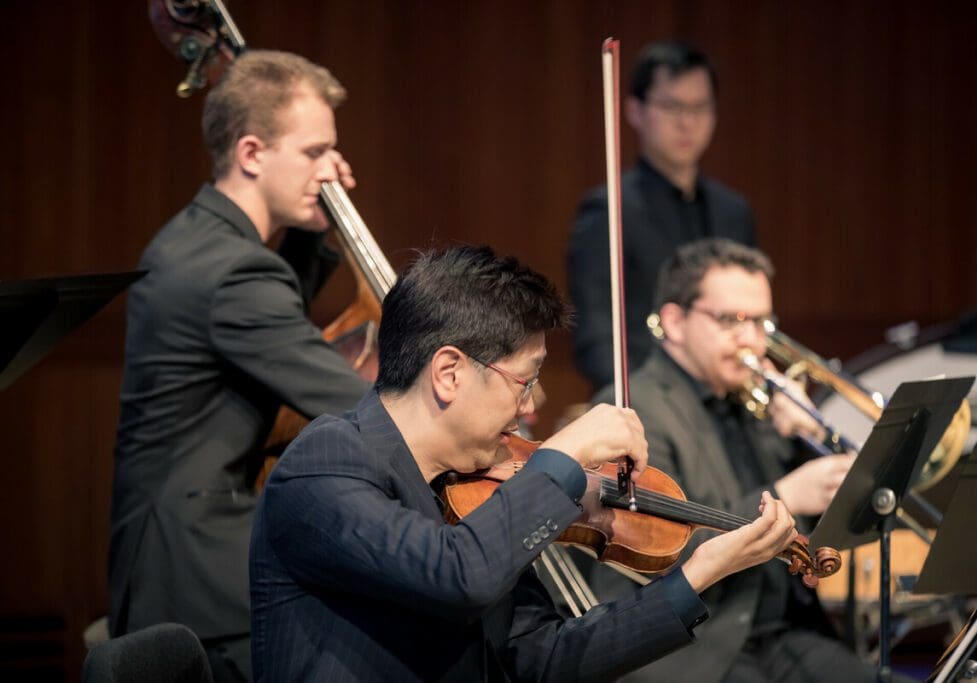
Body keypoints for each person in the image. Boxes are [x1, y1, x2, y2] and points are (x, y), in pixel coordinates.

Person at [249, 245, 802, 682]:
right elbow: (456, 575)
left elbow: (544, 660)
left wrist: (699, 574)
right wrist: (562, 456)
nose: (534, 405)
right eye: (526, 380)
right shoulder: (327, 462)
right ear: (449, 373)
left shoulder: (477, 489)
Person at [109, 50, 369, 681]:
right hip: (201, 580)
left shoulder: (198, 242)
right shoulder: (230, 273)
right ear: (252, 153)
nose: (331, 173)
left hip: (167, 559)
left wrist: (314, 225)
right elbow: (356, 403)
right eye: (313, 153)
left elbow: (268, 322)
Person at [588, 238, 876, 682]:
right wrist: (788, 494)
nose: (753, 340)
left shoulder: (751, 404)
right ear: (675, 322)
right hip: (695, 644)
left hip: (779, 635)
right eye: (731, 320)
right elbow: (662, 549)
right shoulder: (632, 409)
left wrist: (809, 436)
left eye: (762, 322)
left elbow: (843, 513)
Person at [568, 40, 757, 391]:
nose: (687, 122)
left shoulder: (734, 211)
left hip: (728, 405)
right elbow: (596, 339)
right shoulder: (608, 210)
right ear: (635, 110)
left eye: (700, 107)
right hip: (651, 408)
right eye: (672, 106)